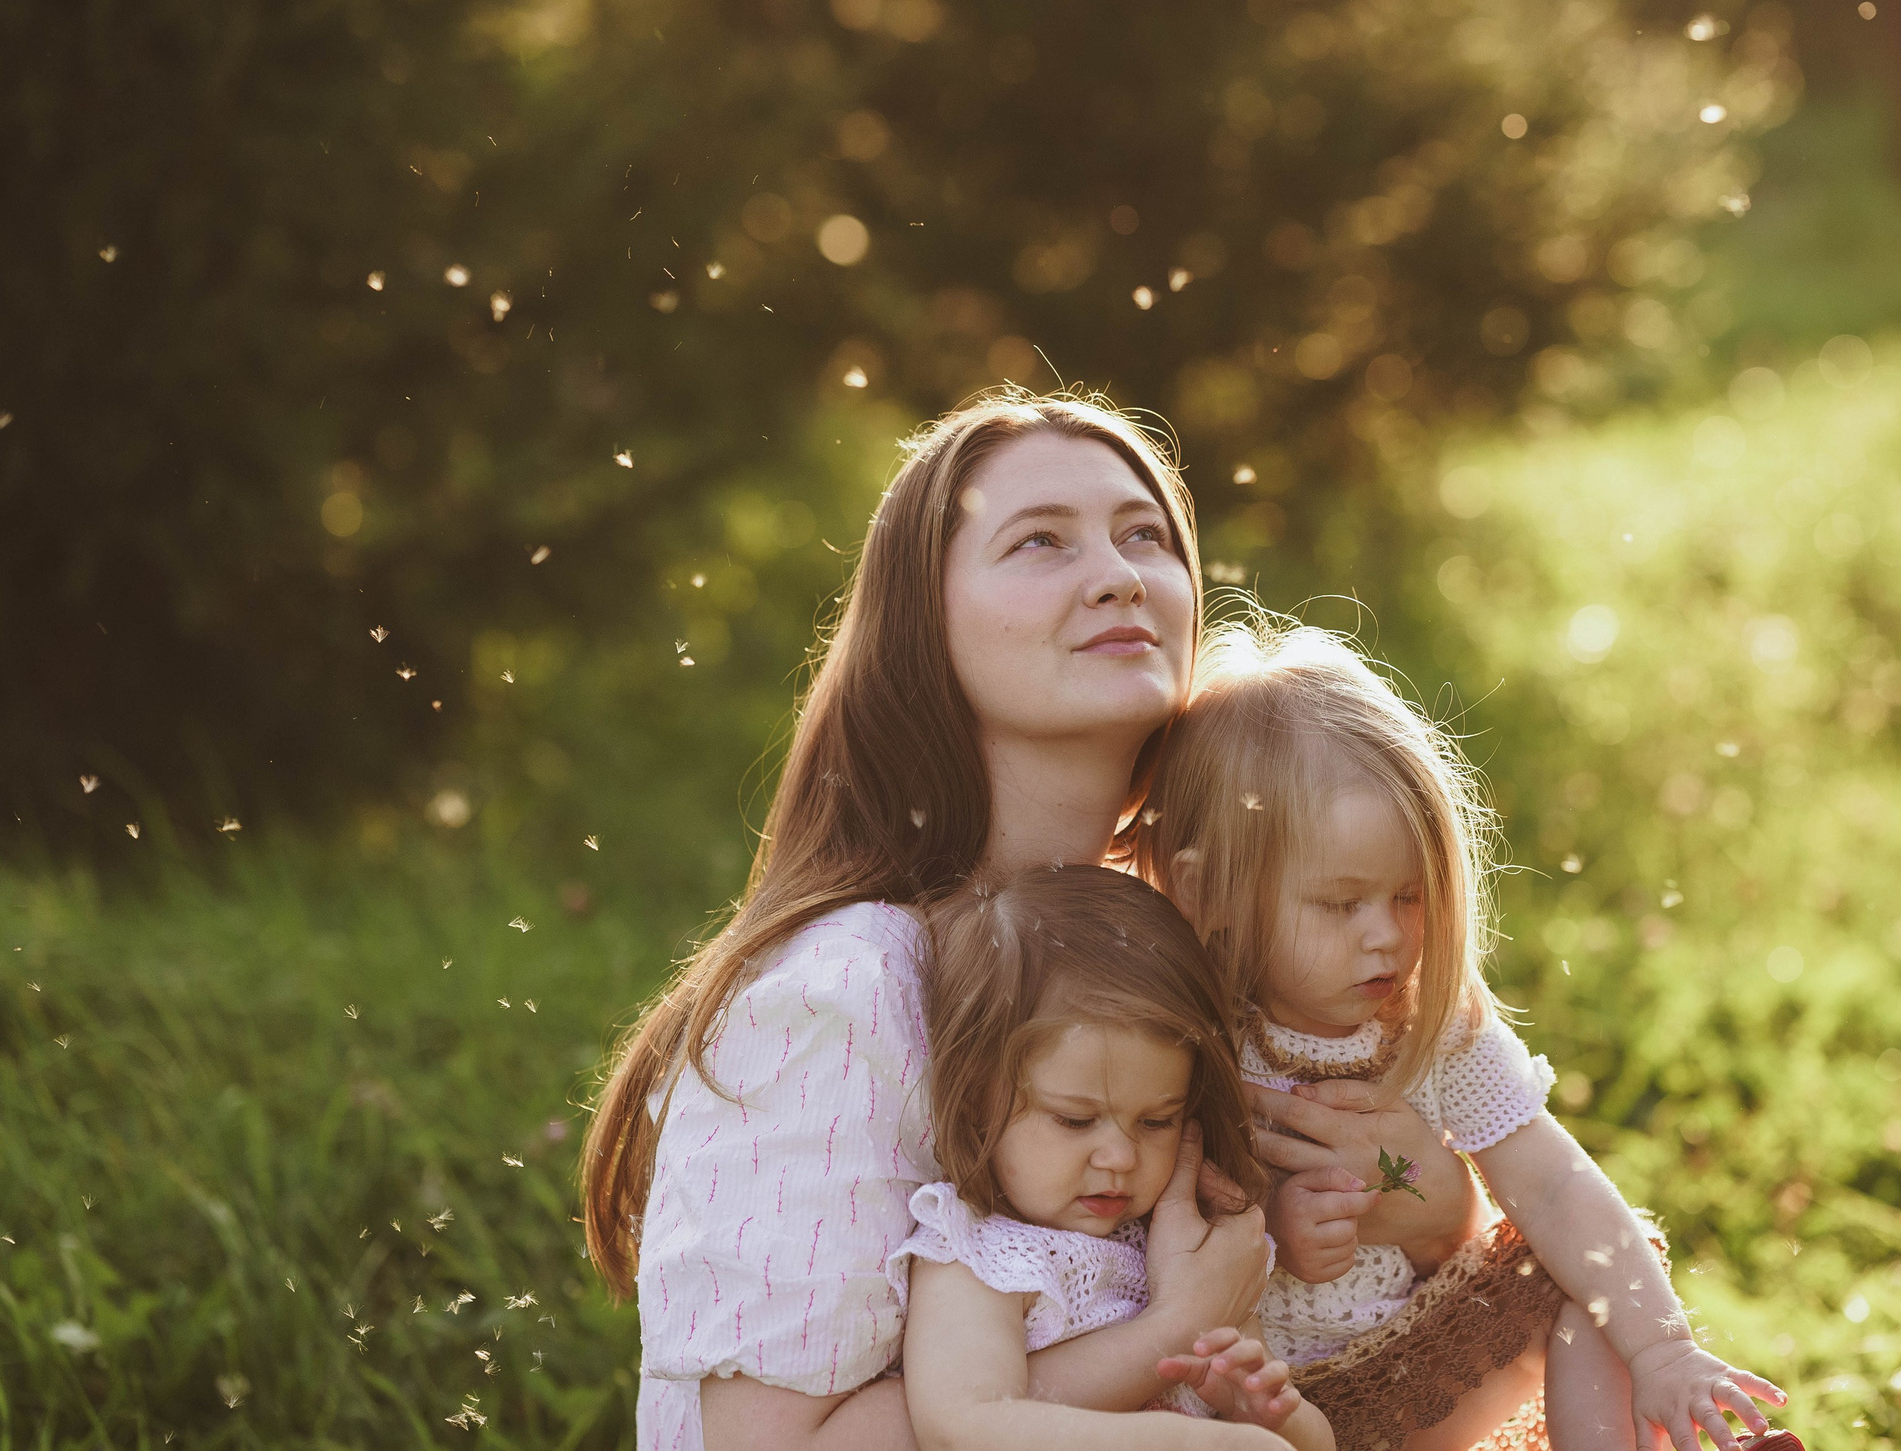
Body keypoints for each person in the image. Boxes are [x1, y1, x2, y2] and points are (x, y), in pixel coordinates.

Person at [578, 391, 1482, 1451]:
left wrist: (1437, 1216)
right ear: (922, 624)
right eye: (1040, 541)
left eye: (1144, 536)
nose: (1118, 575)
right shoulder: (842, 991)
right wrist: (1173, 1331)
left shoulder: (1180, 936)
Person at [1136, 616, 1794, 1451]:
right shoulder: (1192, 1043)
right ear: (1208, 893)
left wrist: (1661, 1346)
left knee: (1586, 1273)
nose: (1386, 934)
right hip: (1268, 1402)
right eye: (1340, 903)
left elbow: (1553, 1187)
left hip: (1424, 1372)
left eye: (1410, 896)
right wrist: (1269, 1227)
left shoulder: (1435, 1026)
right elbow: (1147, 1220)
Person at [894, 865, 1330, 1450]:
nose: (1122, 1157)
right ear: (976, 1098)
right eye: (1075, 1120)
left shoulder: (1185, 1252)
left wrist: (1271, 1418)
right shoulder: (979, 1255)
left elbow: (1315, 1442)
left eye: (1157, 1121)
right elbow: (962, 1426)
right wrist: (1178, 1438)